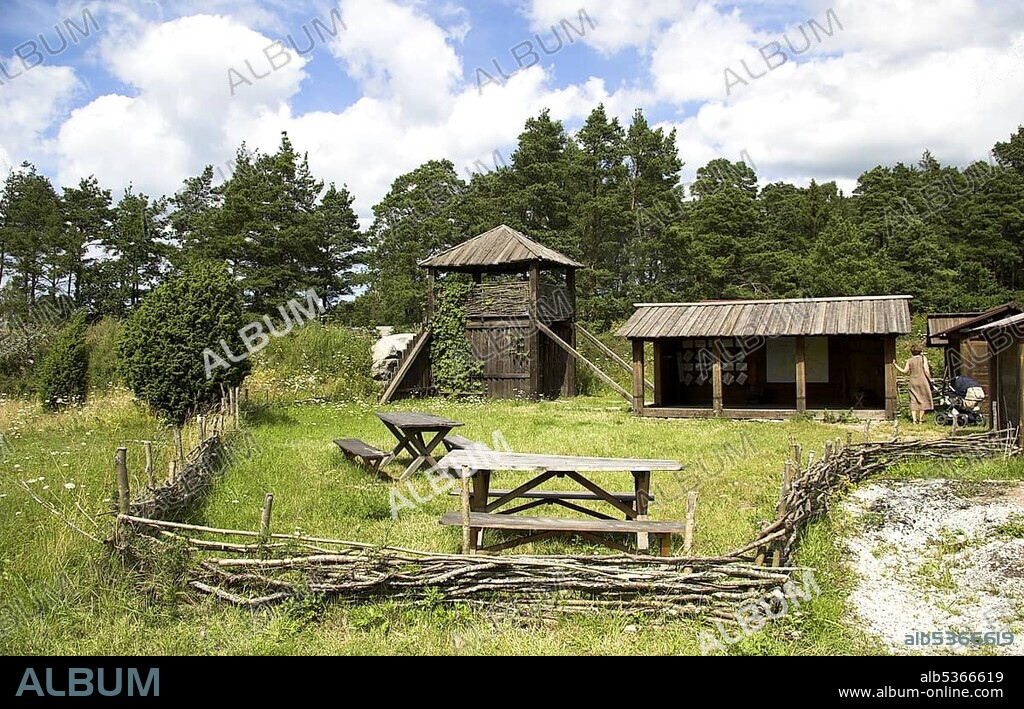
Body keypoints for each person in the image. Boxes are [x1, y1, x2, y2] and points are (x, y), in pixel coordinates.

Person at [893, 344, 933, 424]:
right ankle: (921, 420)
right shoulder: (923, 358)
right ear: (920, 351)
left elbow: (904, 371)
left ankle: (914, 420)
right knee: (923, 399)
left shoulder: (909, 360)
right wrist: (930, 379)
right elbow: (926, 371)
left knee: (913, 399)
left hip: (913, 381)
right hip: (923, 381)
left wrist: (895, 365)